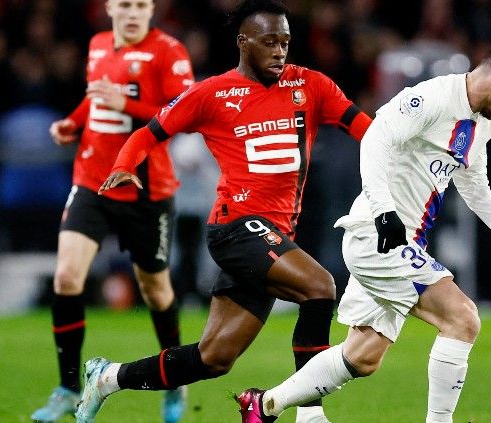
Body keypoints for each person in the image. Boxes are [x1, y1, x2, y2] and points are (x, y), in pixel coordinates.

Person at [75, 1, 372, 423]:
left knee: (214, 358)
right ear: (243, 42)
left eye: (285, 43)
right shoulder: (212, 93)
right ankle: (310, 413)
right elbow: (149, 132)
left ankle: (108, 377)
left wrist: (405, 150)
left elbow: (367, 131)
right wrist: (124, 166)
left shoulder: (311, 85)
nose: (279, 52)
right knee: (320, 287)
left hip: (272, 237)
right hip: (237, 227)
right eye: (269, 42)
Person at [235, 37, 491, 423]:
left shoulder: (483, 125)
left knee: (363, 355)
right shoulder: (431, 98)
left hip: (402, 242)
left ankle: (264, 405)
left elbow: (476, 188)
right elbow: (375, 140)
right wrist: (385, 212)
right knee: (463, 318)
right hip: (378, 235)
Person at [31, 1, 194, 422]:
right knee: (67, 276)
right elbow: (96, 102)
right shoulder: (99, 44)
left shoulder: (169, 52)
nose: (134, 12)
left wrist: (125, 103)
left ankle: (174, 381)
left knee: (156, 291)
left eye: (141, 4)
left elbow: (181, 114)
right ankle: (68, 388)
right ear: (110, 7)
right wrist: (72, 122)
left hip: (146, 189)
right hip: (92, 182)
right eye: (125, 4)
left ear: (151, 8)